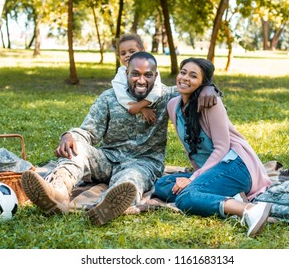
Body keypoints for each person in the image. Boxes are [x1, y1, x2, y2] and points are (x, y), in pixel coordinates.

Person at [21, 52, 219, 225]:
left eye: (147, 75)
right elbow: (88, 132)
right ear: (126, 74)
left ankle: (106, 206)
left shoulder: (167, 96)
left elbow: (194, 86)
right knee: (77, 149)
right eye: (136, 74)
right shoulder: (109, 98)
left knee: (130, 179)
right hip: (108, 158)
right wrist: (69, 136)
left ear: (155, 76)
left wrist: (210, 87)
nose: (141, 80)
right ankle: (56, 193)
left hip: (144, 162)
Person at [153, 58, 273, 237]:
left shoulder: (211, 103)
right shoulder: (173, 105)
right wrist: (198, 176)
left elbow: (222, 148)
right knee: (163, 184)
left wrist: (193, 179)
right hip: (215, 169)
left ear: (203, 83)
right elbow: (190, 149)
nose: (185, 78)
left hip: (237, 164)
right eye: (183, 72)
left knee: (185, 197)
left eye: (193, 76)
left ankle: (250, 210)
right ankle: (227, 198)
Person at [112, 34, 162, 124]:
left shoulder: (150, 68)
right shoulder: (121, 73)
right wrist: (141, 109)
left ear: (142, 51)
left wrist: (141, 104)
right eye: (123, 53)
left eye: (131, 51)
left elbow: (157, 89)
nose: (127, 55)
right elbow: (121, 95)